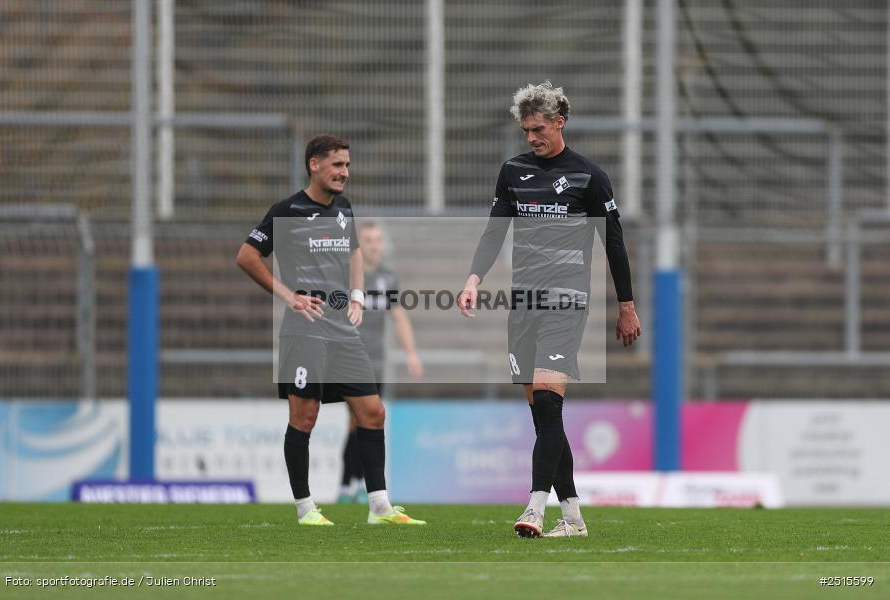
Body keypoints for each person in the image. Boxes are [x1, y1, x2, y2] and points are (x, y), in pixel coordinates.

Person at [457, 82, 641, 538]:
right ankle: (574, 517)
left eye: (538, 129)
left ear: (560, 122)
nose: (531, 138)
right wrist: (473, 278)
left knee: (546, 398)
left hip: (567, 300)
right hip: (523, 303)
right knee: (544, 415)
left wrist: (626, 306)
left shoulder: (589, 176)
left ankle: (535, 508)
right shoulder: (513, 171)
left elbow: (613, 242)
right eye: (526, 130)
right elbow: (494, 230)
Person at [236, 134, 425, 527]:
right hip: (304, 331)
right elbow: (247, 256)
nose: (345, 173)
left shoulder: (344, 208)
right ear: (314, 165)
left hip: (343, 330)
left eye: (348, 166)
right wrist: (289, 296)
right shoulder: (287, 211)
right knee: (304, 416)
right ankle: (306, 508)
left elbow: (354, 250)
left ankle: (379, 508)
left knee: (373, 412)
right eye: (338, 165)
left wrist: (356, 294)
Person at [338, 221, 423, 503]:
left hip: (376, 363)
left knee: (365, 422)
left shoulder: (387, 277)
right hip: (349, 360)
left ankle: (353, 484)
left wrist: (411, 353)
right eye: (368, 240)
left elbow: (398, 316)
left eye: (378, 240)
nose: (374, 245)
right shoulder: (346, 277)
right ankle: (351, 483)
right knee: (358, 420)